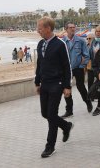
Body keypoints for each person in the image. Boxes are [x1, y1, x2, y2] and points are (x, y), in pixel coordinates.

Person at [34, 17, 73, 158]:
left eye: (40, 28)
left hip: (57, 84)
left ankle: (50, 146)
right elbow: (39, 65)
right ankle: (65, 126)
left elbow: (67, 67)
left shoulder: (60, 44)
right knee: (45, 113)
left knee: (51, 115)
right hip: (44, 84)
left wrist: (67, 86)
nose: (38, 30)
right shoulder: (40, 44)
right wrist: (37, 82)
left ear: (48, 28)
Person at [61, 22, 92, 118]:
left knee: (81, 87)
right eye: (70, 27)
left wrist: (82, 65)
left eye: (74, 27)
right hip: (66, 70)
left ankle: (88, 102)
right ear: (66, 29)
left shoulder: (81, 41)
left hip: (78, 68)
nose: (73, 29)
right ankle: (69, 111)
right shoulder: (62, 42)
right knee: (66, 89)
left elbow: (86, 55)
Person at [88, 25, 100, 116]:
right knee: (97, 86)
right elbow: (90, 54)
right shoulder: (93, 41)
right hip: (94, 68)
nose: (98, 33)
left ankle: (98, 107)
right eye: (97, 31)